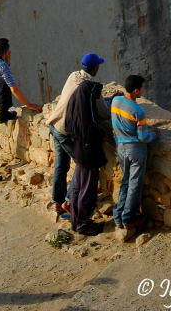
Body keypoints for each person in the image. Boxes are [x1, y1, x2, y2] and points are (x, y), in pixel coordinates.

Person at [46, 53, 111, 217]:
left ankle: (57, 202)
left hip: (54, 124)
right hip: (65, 131)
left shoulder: (73, 75)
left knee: (61, 166)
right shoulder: (90, 88)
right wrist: (113, 101)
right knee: (81, 163)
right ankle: (68, 201)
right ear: (95, 68)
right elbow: (103, 113)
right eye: (98, 66)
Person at [0, 37, 42, 181]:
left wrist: (6, 60)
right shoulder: (3, 67)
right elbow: (14, 89)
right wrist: (29, 104)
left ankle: (4, 114)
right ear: (7, 52)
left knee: (3, 83)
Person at [111, 75, 156, 233]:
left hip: (120, 148)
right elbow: (143, 137)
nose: (144, 90)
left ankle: (118, 216)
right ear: (136, 90)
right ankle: (128, 218)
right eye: (143, 88)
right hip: (135, 150)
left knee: (125, 182)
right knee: (134, 184)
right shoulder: (138, 111)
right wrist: (154, 135)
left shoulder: (115, 101)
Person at [65, 78, 107, 235]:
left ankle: (76, 221)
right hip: (88, 155)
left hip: (79, 152)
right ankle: (83, 225)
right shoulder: (87, 115)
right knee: (87, 190)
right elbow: (94, 130)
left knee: (77, 188)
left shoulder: (76, 108)